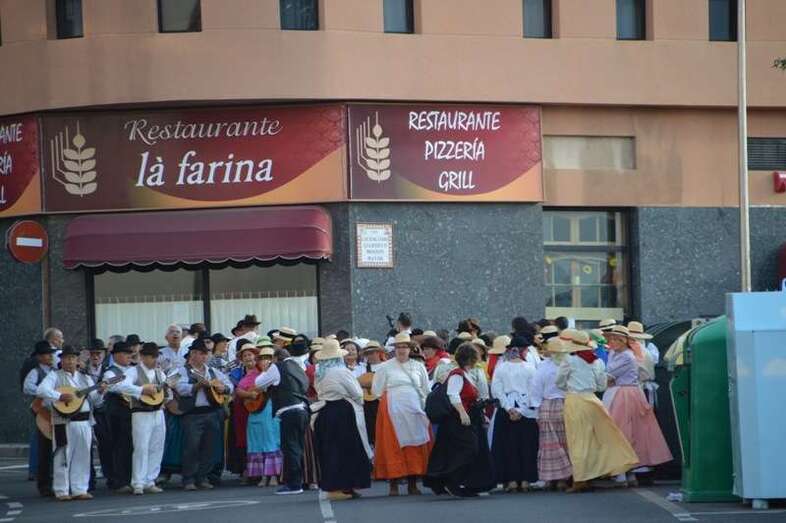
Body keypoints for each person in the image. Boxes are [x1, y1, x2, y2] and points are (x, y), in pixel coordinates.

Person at [555, 329, 638, 493]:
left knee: (577, 441)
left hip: (575, 400)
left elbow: (559, 382)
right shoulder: (598, 361)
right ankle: (595, 473)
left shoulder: (569, 360)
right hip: (593, 400)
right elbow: (601, 386)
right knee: (598, 439)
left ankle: (580, 479)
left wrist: (570, 387)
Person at [603, 325, 672, 486]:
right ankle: (626, 472)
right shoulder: (615, 353)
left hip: (625, 394)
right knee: (623, 432)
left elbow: (609, 374)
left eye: (616, 339)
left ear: (624, 341)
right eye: (611, 338)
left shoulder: (628, 356)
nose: (612, 342)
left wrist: (607, 379)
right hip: (620, 392)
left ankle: (625, 472)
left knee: (625, 432)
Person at [36, 345, 106, 501]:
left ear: (77, 360)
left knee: (83, 455)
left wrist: (101, 392)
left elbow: (94, 400)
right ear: (61, 360)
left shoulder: (85, 378)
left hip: (84, 421)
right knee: (63, 455)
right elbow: (41, 390)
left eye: (73, 358)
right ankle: (61, 490)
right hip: (64, 421)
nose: (69, 361)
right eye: (66, 358)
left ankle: (79, 489)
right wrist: (59, 396)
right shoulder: (55, 376)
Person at [425, 343, 495, 497]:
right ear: (471, 358)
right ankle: (451, 480)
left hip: (466, 418)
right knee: (469, 449)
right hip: (457, 420)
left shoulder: (465, 373)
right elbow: (453, 394)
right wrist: (462, 413)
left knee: (465, 449)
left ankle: (458, 481)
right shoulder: (457, 374)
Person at [371, 332, 432, 496]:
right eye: (398, 347)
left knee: (414, 445)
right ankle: (393, 484)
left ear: (410, 349)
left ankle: (413, 483)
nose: (401, 350)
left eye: (404, 347)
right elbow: (377, 390)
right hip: (393, 409)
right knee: (392, 445)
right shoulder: (385, 367)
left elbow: (426, 389)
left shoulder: (418, 366)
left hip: (414, 409)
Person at [313, 339, 373, 501]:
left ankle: (337, 486)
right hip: (343, 411)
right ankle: (344, 485)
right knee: (347, 450)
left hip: (325, 410)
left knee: (331, 450)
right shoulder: (341, 371)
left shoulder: (320, 373)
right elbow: (357, 393)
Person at [175, 337, 233, 491]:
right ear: (192, 354)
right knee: (191, 447)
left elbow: (229, 385)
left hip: (212, 412)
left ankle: (202, 477)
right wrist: (197, 386)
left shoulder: (213, 372)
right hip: (192, 414)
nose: (202, 356)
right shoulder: (182, 371)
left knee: (210, 447)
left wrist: (223, 388)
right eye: (199, 353)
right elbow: (180, 388)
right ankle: (188, 479)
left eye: (204, 353)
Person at [254, 347, 310, 495]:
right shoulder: (297, 366)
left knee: (290, 448)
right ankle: (301, 481)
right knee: (298, 447)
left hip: (289, 410)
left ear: (275, 358)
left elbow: (259, 383)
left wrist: (266, 370)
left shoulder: (277, 367)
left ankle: (294, 485)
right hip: (303, 409)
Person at [116, 342, 168, 495]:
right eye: (152, 357)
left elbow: (166, 392)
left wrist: (167, 392)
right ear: (143, 357)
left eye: (156, 356)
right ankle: (138, 482)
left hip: (158, 411)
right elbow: (122, 386)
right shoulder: (133, 371)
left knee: (156, 446)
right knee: (141, 447)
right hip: (141, 412)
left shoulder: (160, 373)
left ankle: (150, 480)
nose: (155, 360)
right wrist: (141, 390)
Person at [490, 335, 540, 493]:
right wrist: (521, 410)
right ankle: (525, 480)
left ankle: (511, 480)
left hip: (506, 410)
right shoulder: (530, 368)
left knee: (507, 446)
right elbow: (534, 391)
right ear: (523, 351)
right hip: (526, 411)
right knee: (526, 445)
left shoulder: (501, 367)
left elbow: (496, 390)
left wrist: (509, 408)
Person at [530, 337, 572, 491]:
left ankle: (552, 477)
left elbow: (536, 388)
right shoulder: (570, 363)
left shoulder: (543, 367)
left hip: (549, 405)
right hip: (566, 403)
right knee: (565, 442)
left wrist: (536, 410)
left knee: (549, 444)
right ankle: (563, 477)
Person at [243, 346, 283, 487]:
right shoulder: (254, 375)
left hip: (271, 408)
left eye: (268, 358)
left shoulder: (275, 372)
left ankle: (273, 475)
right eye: (261, 358)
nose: (264, 361)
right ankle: (263, 475)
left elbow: (260, 384)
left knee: (271, 440)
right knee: (257, 441)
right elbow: (246, 389)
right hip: (256, 411)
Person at [23, 341, 56, 497]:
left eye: (50, 354)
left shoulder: (55, 371)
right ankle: (44, 484)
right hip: (43, 412)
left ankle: (55, 481)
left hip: (56, 411)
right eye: (47, 354)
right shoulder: (35, 372)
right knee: (45, 448)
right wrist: (45, 392)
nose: (50, 356)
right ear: (39, 357)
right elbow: (27, 387)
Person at [102, 341, 135, 493]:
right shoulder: (110, 372)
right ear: (115, 355)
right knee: (119, 446)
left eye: (130, 354)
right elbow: (112, 385)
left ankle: (130, 478)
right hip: (117, 412)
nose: (129, 356)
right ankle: (118, 480)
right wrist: (135, 389)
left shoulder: (133, 370)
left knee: (130, 446)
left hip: (131, 411)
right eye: (125, 353)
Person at [227, 341, 256, 481]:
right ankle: (245, 468)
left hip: (258, 408)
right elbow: (233, 391)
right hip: (240, 409)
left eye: (250, 354)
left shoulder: (262, 371)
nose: (248, 357)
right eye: (245, 355)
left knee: (257, 438)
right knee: (242, 438)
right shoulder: (236, 373)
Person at [358, 341, 385, 445]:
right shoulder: (362, 368)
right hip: (368, 402)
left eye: (373, 352)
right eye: (368, 353)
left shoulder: (386, 366)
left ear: (379, 353)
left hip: (382, 400)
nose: (371, 355)